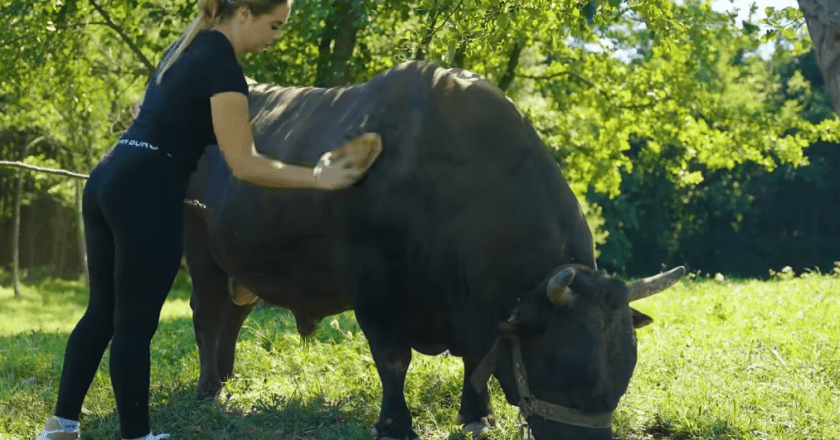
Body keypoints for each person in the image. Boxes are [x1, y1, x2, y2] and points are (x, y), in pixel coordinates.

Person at [35, 1, 380, 439]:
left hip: (109, 177)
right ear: (243, 15)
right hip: (147, 193)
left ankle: (61, 426)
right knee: (135, 322)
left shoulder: (186, 45)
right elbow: (244, 162)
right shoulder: (223, 68)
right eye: (273, 24)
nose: (277, 36)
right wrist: (318, 177)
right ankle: (137, 435)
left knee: (103, 311)